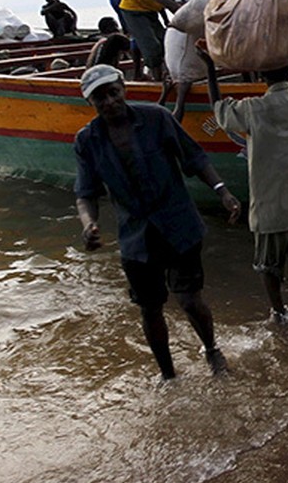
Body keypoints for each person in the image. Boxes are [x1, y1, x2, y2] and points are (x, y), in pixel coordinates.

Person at [74, 64, 242, 379]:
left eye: (113, 92)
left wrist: (223, 192)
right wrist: (88, 224)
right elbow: (86, 193)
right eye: (100, 97)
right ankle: (168, 375)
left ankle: (211, 349)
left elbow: (194, 157)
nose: (109, 101)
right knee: (150, 308)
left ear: (123, 88)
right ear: (90, 103)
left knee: (190, 299)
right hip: (136, 238)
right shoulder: (87, 141)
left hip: (178, 224)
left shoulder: (156, 118)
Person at [209, 55, 288, 322]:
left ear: (260, 77)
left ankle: (277, 313)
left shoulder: (253, 108)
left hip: (271, 207)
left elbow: (219, 108)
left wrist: (210, 68)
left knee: (268, 266)